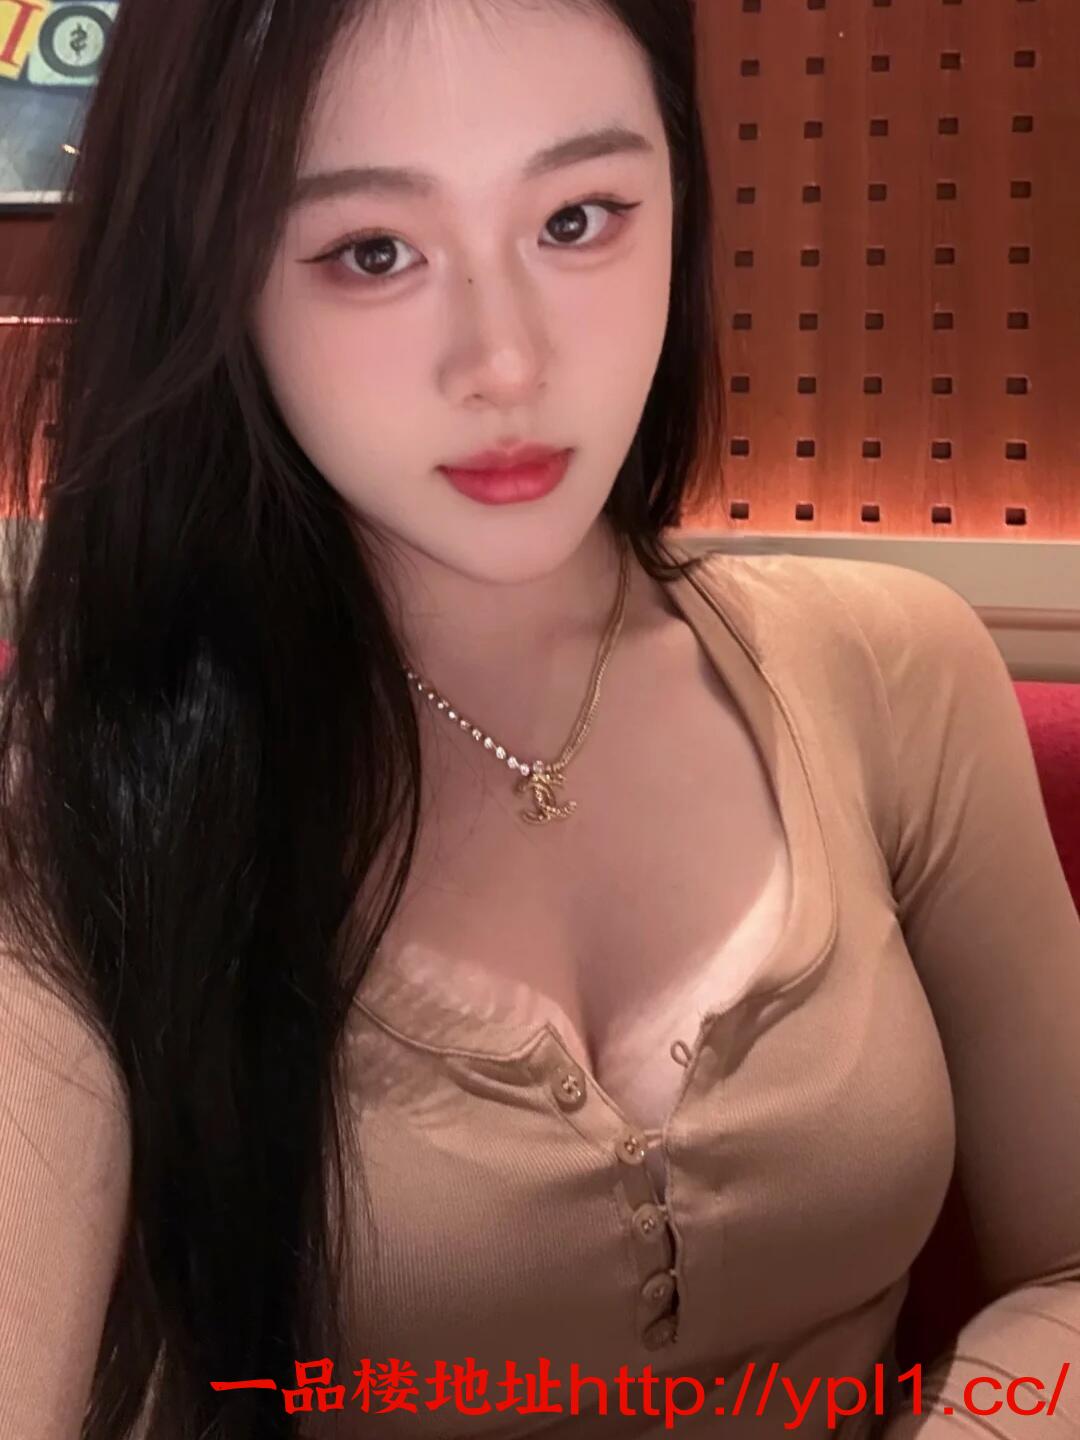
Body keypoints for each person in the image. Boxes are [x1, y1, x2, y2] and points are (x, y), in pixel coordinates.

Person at [0, 1, 1078, 1437]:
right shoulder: (77, 796)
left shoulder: (892, 672)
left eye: (578, 219)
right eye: (371, 251)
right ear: (214, 281)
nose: (505, 363)